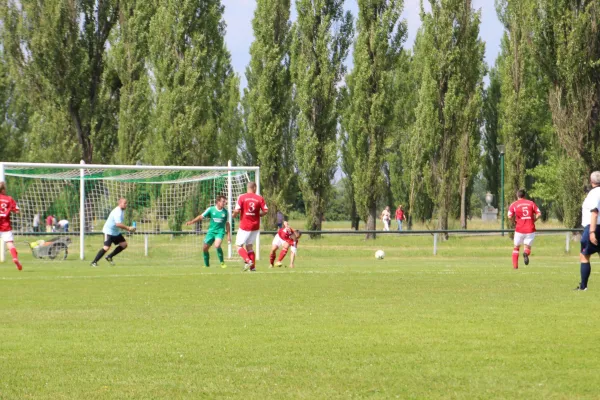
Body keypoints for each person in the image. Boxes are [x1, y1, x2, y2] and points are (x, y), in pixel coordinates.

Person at [186, 195, 231, 268]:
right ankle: (207, 265)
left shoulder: (226, 212)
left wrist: (228, 235)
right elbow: (201, 217)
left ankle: (222, 263)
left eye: (225, 201)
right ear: (218, 202)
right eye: (223, 201)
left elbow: (227, 224)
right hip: (211, 232)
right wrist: (191, 222)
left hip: (220, 232)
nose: (224, 203)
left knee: (217, 245)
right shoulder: (211, 209)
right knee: (204, 248)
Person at [232, 182, 268, 271]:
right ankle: (253, 268)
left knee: (238, 246)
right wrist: (258, 214)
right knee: (249, 246)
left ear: (247, 188)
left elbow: (237, 210)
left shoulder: (242, 197)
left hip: (245, 225)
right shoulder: (259, 198)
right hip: (255, 226)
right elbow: (266, 210)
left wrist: (233, 215)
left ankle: (248, 261)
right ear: (254, 188)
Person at [90, 198, 135, 267]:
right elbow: (118, 224)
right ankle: (94, 262)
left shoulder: (122, 210)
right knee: (106, 247)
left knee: (124, 245)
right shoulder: (118, 211)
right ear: (120, 203)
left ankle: (109, 257)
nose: (126, 204)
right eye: (125, 203)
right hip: (109, 231)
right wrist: (128, 228)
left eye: (126, 203)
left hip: (115, 232)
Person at [575, 171, 600, 290]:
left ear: (591, 181)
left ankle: (583, 286)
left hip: (594, 226)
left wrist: (591, 232)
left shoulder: (594, 193)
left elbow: (594, 212)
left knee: (584, 256)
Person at [507, 189, 541, 269]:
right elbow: (539, 214)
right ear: (524, 195)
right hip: (530, 229)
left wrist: (514, 222)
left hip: (519, 229)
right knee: (527, 248)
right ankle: (525, 253)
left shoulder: (514, 204)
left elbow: (509, 216)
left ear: (517, 195)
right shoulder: (531, 203)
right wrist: (533, 220)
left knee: (516, 247)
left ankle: (515, 267)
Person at [0, 182, 23, 270]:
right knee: (9, 243)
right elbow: (17, 210)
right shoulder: (9, 199)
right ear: (3, 190)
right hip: (6, 225)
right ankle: (15, 258)